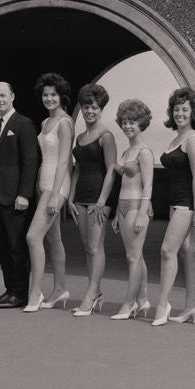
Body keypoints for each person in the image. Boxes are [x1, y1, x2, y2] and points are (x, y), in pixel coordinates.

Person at [0, 81, 39, 309]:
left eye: (3, 95)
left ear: (13, 96)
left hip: (16, 197)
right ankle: (10, 290)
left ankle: (20, 293)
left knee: (17, 247)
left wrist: (24, 194)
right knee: (4, 246)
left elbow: (30, 162)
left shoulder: (24, 124)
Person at [152, 88, 195, 326]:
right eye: (176, 109)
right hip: (174, 203)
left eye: (185, 109)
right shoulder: (176, 138)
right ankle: (192, 305)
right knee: (187, 252)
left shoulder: (193, 139)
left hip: (186, 204)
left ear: (193, 112)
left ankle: (162, 305)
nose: (180, 113)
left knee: (167, 250)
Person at [24, 73, 74, 312]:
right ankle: (60, 289)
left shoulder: (65, 123)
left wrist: (55, 194)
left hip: (56, 186)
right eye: (45, 94)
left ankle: (35, 292)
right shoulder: (45, 123)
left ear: (61, 96)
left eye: (53, 94)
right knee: (54, 239)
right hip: (43, 185)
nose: (49, 98)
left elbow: (64, 162)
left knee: (33, 237)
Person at [69, 83, 119, 316]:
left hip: (100, 197)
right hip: (80, 196)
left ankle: (90, 295)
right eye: (86, 107)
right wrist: (70, 198)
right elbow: (77, 169)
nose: (90, 111)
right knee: (87, 249)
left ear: (101, 109)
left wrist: (102, 200)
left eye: (95, 107)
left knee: (95, 246)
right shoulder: (80, 137)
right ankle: (95, 291)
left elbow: (111, 170)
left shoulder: (106, 136)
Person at [110, 100, 155, 320]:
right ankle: (143, 299)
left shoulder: (144, 151)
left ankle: (128, 305)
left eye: (133, 122)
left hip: (137, 205)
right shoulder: (128, 149)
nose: (128, 126)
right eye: (125, 122)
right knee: (135, 256)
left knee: (133, 257)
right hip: (123, 205)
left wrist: (141, 213)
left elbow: (148, 184)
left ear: (141, 123)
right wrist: (117, 214)